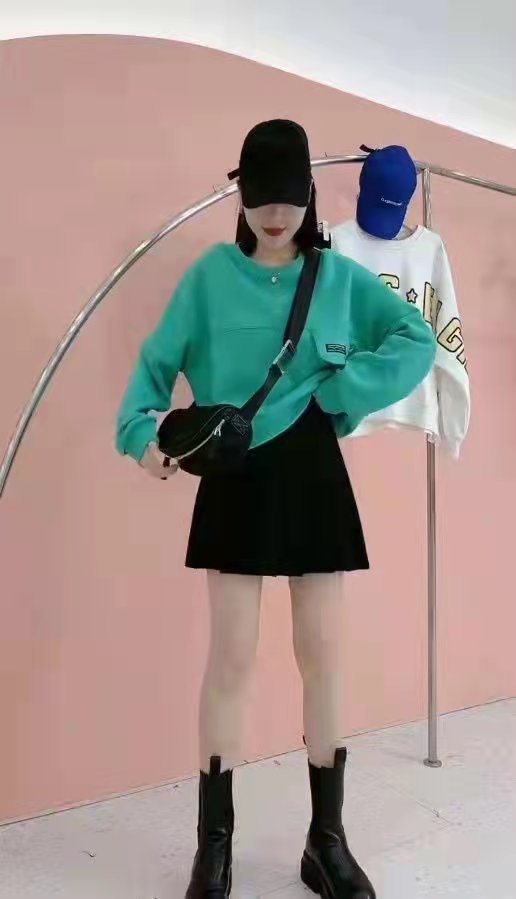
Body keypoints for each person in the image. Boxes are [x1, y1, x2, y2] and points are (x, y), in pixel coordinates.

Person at [116, 120, 436, 899]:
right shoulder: (208, 277)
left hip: (313, 473)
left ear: (309, 194)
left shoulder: (336, 277)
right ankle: (214, 848)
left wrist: (344, 389)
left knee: (323, 655)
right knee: (230, 657)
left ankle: (327, 842)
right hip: (235, 475)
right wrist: (143, 439)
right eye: (261, 195)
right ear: (242, 194)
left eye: (289, 196)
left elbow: (415, 337)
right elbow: (150, 374)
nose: (275, 213)